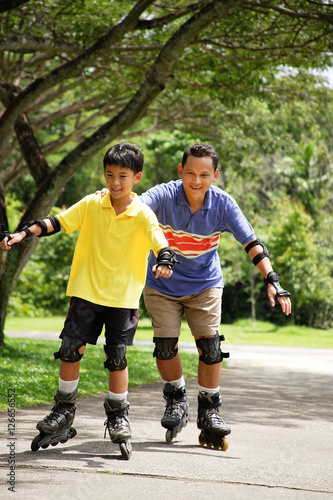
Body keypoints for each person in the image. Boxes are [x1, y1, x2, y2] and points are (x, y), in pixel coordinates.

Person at [0, 142, 178, 459]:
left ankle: (118, 415)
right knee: (70, 349)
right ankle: (64, 411)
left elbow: (160, 242)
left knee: (117, 356)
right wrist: (23, 234)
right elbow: (57, 222)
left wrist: (164, 260)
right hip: (86, 292)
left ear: (137, 177)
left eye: (123, 176)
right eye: (109, 174)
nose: (114, 182)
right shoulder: (93, 204)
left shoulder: (142, 214)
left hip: (122, 299)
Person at [139, 142, 291, 449]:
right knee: (165, 346)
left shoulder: (223, 204)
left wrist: (272, 279)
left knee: (210, 347)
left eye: (205, 174)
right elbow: (135, 207)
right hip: (161, 284)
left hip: (204, 284)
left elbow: (252, 243)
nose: (197, 180)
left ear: (215, 175)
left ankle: (210, 411)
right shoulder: (164, 195)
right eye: (191, 173)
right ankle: (176, 398)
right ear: (180, 171)